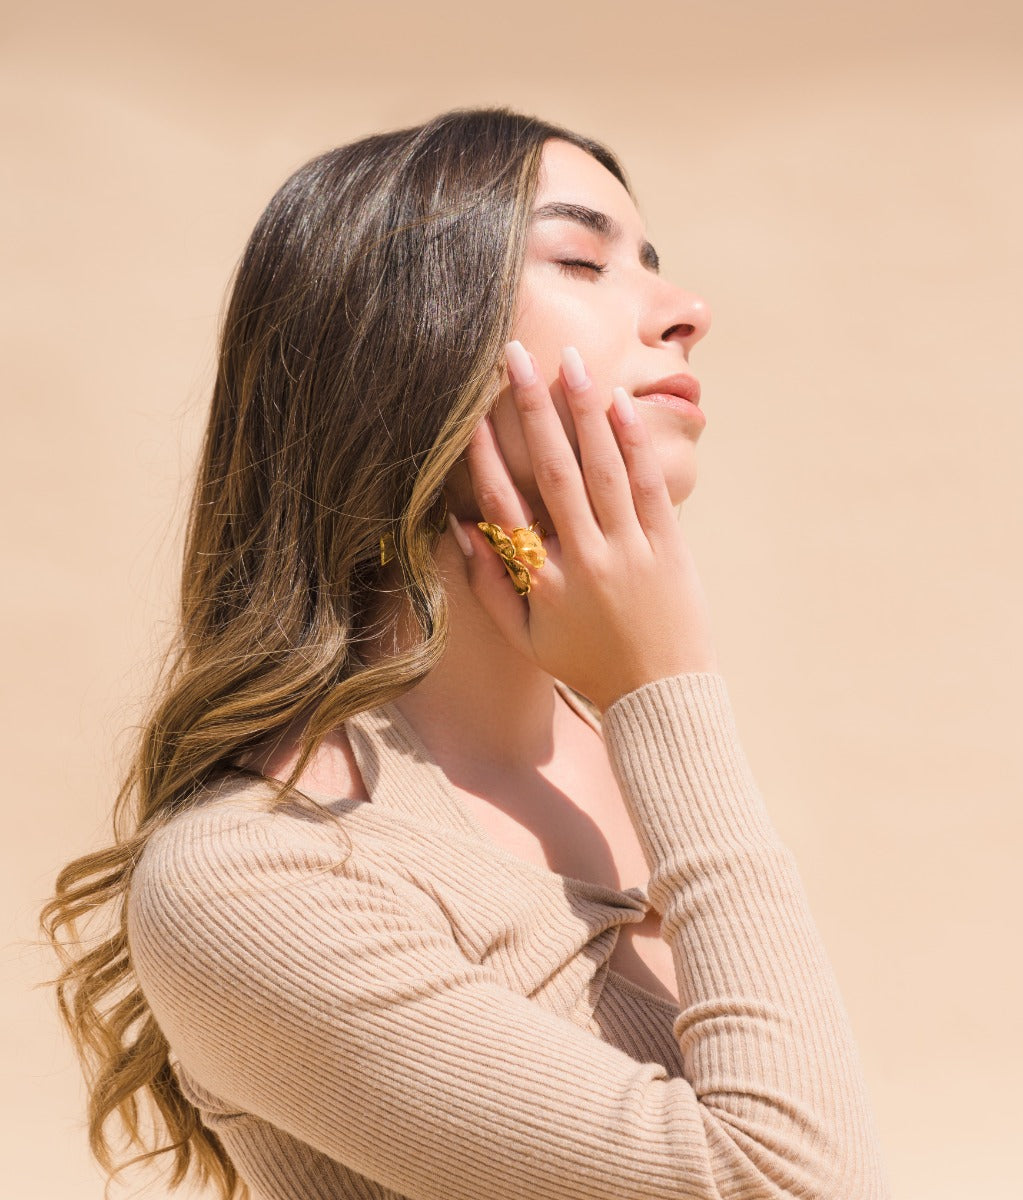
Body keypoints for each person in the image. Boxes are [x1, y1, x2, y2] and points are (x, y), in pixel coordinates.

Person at [40, 107, 892, 1199]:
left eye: (654, 262)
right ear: (402, 346)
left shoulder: (612, 744)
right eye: (583, 259)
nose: (686, 312)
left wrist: (645, 705)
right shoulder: (256, 876)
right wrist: (665, 689)